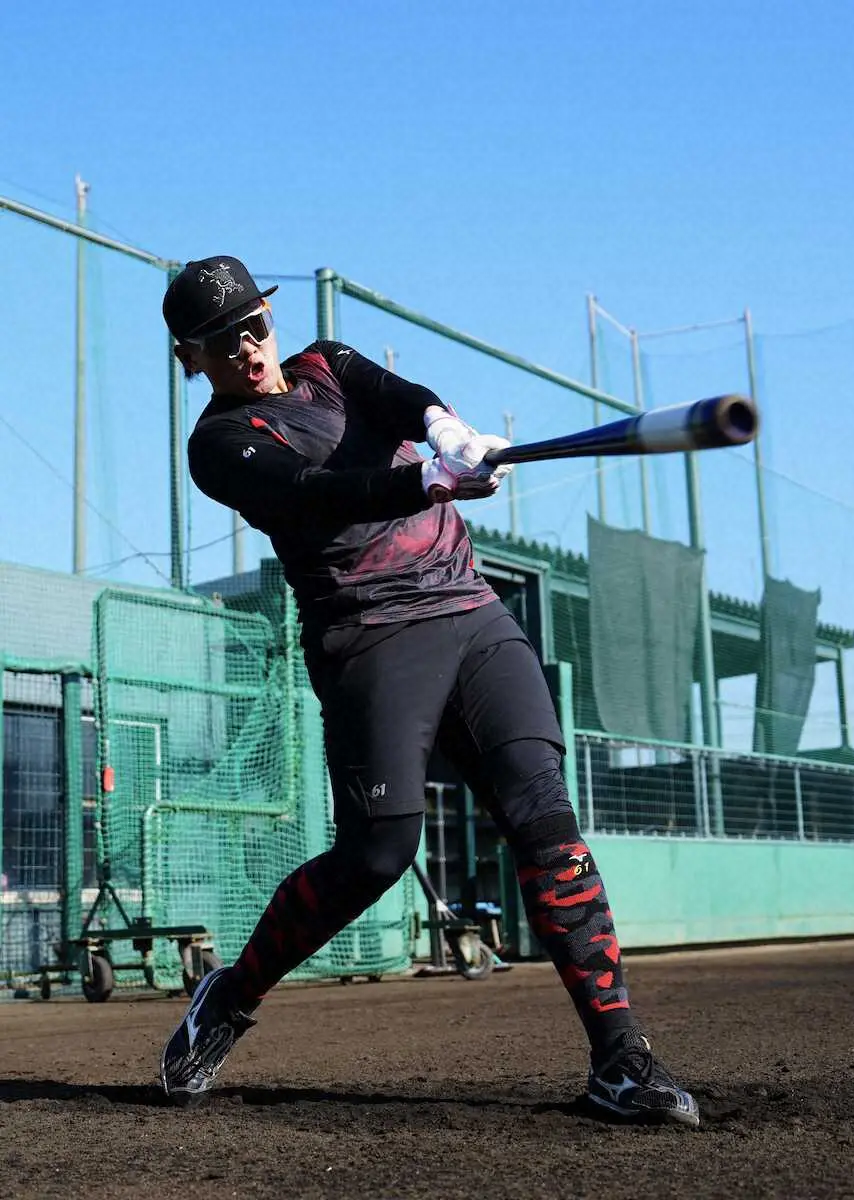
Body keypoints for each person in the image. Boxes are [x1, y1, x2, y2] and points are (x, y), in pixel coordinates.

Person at [157, 256, 699, 1128]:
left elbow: (402, 395)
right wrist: (425, 480)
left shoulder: (327, 364)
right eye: (223, 342)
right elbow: (317, 494)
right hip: (369, 640)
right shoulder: (219, 447)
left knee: (543, 816)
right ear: (192, 357)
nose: (250, 348)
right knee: (375, 857)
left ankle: (620, 1060)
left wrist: (447, 430)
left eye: (255, 324)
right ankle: (230, 995)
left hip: (474, 616)